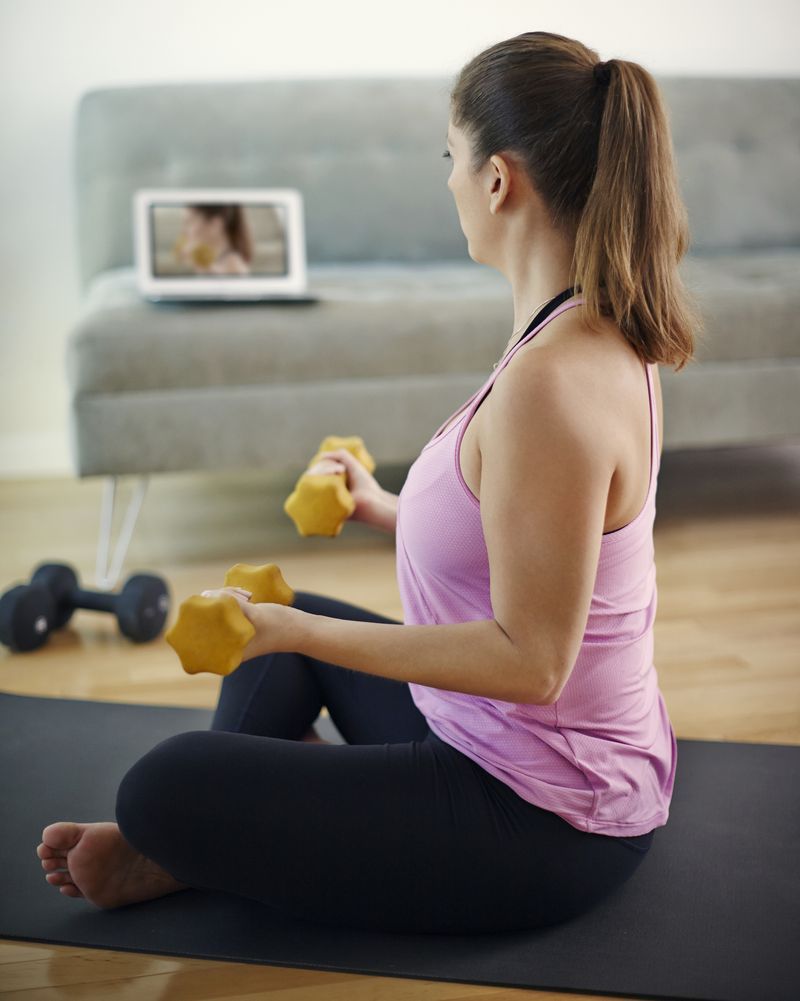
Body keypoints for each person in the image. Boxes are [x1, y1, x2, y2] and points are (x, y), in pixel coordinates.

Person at [36, 31, 704, 935]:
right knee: (280, 643)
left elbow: (534, 662)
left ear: (498, 180)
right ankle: (205, 840)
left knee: (160, 785)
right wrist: (384, 510)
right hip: (496, 737)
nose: (448, 179)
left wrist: (295, 628)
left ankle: (192, 837)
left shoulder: (552, 382)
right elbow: (539, 537)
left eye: (450, 156)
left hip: (543, 815)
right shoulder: (585, 324)